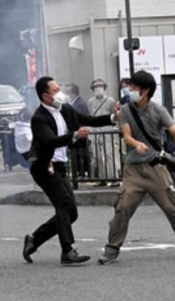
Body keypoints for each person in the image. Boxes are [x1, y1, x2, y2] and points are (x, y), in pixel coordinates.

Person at [98, 70, 175, 265]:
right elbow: (126, 135)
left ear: (145, 90)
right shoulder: (126, 110)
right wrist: (136, 144)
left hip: (156, 167)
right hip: (133, 169)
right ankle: (111, 249)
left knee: (172, 206)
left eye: (133, 87)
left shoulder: (158, 110)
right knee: (122, 207)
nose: (129, 89)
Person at [22, 76, 118, 265]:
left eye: (60, 89)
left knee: (71, 212)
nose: (60, 93)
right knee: (64, 205)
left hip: (61, 166)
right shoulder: (39, 118)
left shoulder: (65, 109)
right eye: (56, 90)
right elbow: (50, 141)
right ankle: (68, 250)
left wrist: (114, 118)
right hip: (45, 168)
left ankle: (35, 239)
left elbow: (88, 120)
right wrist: (73, 135)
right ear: (45, 96)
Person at [87, 79, 117, 182]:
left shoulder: (110, 101)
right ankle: (101, 178)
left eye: (100, 86)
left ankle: (114, 177)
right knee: (96, 156)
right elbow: (91, 115)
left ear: (104, 88)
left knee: (109, 154)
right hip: (95, 130)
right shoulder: (90, 101)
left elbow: (114, 116)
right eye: (95, 87)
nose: (98, 89)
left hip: (107, 129)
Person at [64, 83, 91, 178]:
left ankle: (85, 173)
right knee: (77, 154)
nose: (66, 94)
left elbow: (81, 119)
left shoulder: (80, 104)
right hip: (77, 133)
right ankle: (80, 172)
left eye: (67, 91)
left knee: (82, 154)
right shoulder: (73, 103)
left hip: (81, 133)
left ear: (73, 93)